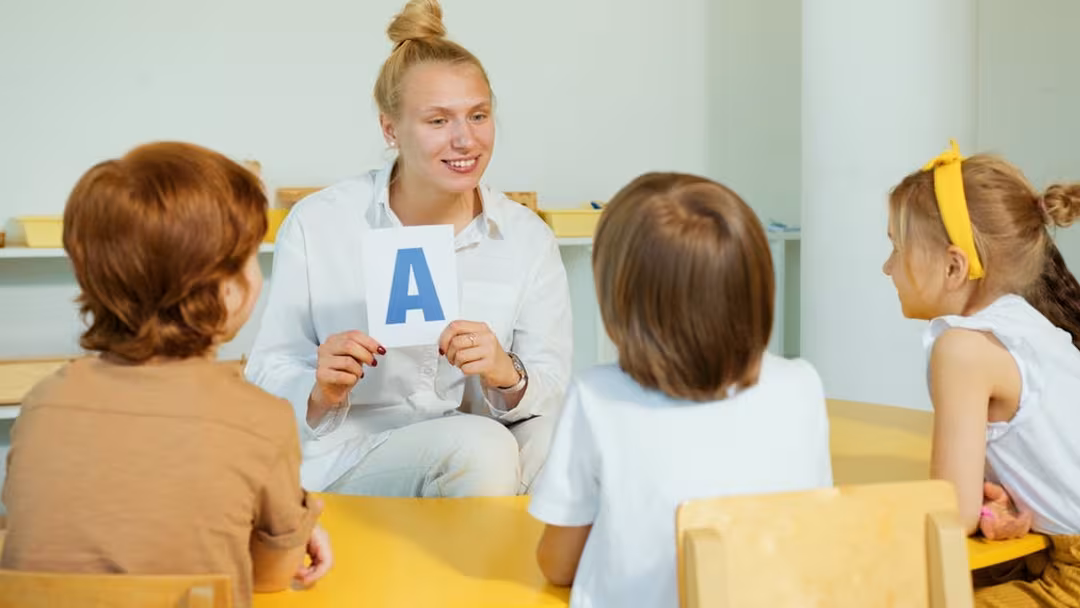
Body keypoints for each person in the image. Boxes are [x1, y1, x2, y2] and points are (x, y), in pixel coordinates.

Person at [245, 0, 571, 497]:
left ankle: (525, 572)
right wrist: (321, 385)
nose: (466, 139)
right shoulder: (320, 222)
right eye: (438, 121)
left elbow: (550, 380)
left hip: (483, 444)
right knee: (479, 445)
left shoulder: (527, 237)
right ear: (390, 129)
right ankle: (466, 574)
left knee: (563, 438)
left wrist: (507, 373)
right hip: (355, 451)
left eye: (478, 115)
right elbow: (270, 367)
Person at [1, 142, 331, 608]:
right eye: (250, 257)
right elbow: (274, 575)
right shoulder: (260, 419)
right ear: (230, 292)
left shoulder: (41, 404)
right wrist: (298, 526)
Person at [527, 172, 833, 608]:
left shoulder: (597, 397)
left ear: (618, 298)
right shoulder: (801, 384)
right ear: (757, 283)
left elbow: (558, 565)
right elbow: (812, 522)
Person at [883, 142, 1080, 606]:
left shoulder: (962, 349)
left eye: (896, 247)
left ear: (954, 266)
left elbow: (951, 513)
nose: (888, 267)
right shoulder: (1028, 326)